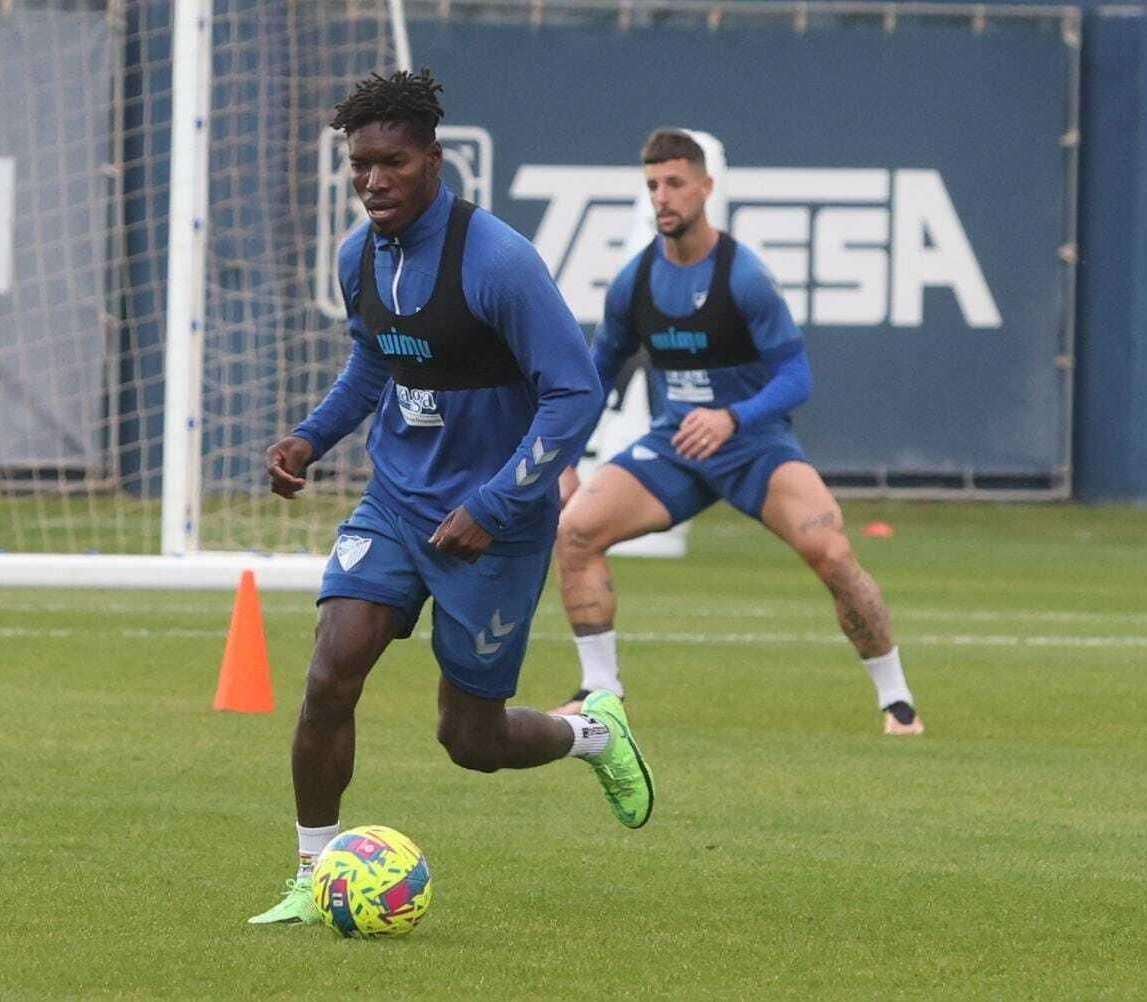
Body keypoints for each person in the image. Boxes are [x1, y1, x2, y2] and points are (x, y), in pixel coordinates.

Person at [249, 69, 654, 927]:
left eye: (391, 162)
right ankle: (314, 872)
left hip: (492, 530)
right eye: (359, 166)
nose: (373, 182)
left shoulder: (498, 260)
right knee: (330, 673)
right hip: (396, 504)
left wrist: (500, 503)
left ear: (434, 159)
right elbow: (375, 360)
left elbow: (575, 393)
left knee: (470, 742)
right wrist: (311, 437)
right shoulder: (359, 254)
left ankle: (594, 734)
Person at [550, 128, 924, 737]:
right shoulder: (634, 283)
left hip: (754, 447)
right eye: (652, 186)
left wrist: (734, 417)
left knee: (830, 551)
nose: (662, 197)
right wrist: (564, 457)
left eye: (674, 183)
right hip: (677, 447)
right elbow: (599, 376)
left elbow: (797, 377)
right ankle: (600, 690)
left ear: (705, 187)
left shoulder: (743, 276)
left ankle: (897, 701)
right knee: (575, 531)